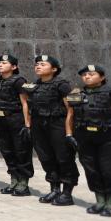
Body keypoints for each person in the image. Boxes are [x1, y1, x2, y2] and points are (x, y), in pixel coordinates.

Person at [67, 64, 111, 217]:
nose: (87, 77)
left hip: (109, 138)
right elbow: (70, 115)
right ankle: (100, 201)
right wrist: (69, 134)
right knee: (92, 170)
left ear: (102, 77)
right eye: (84, 75)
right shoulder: (76, 93)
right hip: (85, 138)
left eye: (91, 74)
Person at [24, 55, 76, 205]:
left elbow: (71, 109)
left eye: (43, 64)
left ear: (54, 69)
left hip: (57, 124)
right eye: (37, 64)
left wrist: (69, 132)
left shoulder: (62, 85)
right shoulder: (34, 85)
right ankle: (54, 189)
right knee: (46, 157)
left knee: (63, 157)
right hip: (39, 125)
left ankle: (67, 193)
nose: (38, 66)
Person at [0, 54, 33, 196]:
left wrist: (27, 124)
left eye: (4, 63)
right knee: (7, 151)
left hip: (16, 119)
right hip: (1, 121)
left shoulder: (19, 81)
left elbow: (25, 103)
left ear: (14, 67)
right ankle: (14, 180)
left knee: (21, 151)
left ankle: (23, 183)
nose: (0, 65)